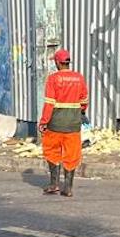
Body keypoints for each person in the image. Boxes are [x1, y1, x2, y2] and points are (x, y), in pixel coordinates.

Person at [38, 47, 89, 198]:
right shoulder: (79, 78)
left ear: (57, 63)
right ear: (68, 62)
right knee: (72, 154)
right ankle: (68, 188)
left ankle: (54, 184)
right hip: (73, 124)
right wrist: (80, 112)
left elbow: (49, 103)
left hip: (55, 124)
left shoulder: (53, 79)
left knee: (52, 152)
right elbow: (84, 100)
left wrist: (43, 121)